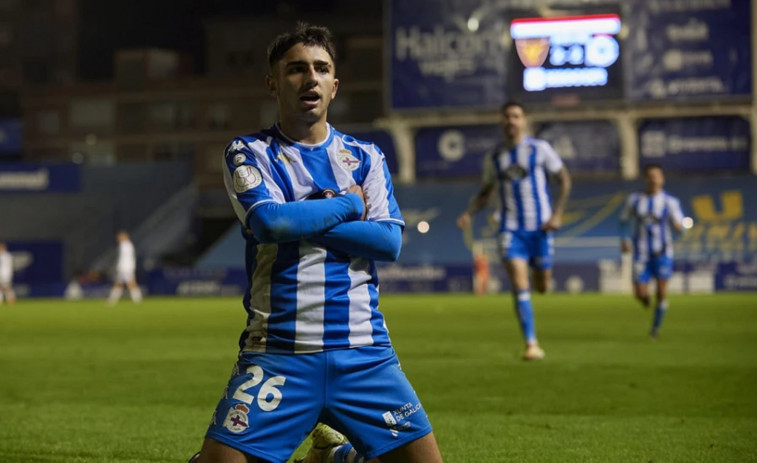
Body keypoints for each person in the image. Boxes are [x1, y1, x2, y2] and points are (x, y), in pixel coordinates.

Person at [191, 23, 443, 463]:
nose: (310, 78)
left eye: (321, 69)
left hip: (365, 355)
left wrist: (298, 218)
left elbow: (388, 241)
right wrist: (347, 204)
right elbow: (269, 223)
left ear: (334, 84)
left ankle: (337, 458)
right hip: (279, 354)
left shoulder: (366, 157)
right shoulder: (249, 152)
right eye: (296, 70)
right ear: (273, 83)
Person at [456, 101, 571, 361]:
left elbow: (564, 178)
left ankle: (538, 291)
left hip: (540, 229)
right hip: (511, 229)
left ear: (524, 120)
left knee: (542, 285)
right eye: (507, 116)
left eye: (516, 116)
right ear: (502, 121)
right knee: (519, 282)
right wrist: (469, 213)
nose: (511, 121)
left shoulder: (539, 149)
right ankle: (531, 343)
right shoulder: (495, 157)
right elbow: (487, 191)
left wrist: (557, 214)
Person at [619, 163, 685, 339]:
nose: (654, 179)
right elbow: (623, 221)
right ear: (646, 179)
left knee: (662, 293)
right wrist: (624, 239)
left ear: (662, 179)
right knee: (639, 293)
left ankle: (655, 329)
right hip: (640, 254)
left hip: (663, 253)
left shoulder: (670, 202)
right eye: (651, 176)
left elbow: (680, 224)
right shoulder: (634, 200)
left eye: (658, 176)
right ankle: (645, 299)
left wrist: (681, 228)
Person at [106, 230, 142, 305]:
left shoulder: (124, 245)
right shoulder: (129, 245)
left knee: (130, 282)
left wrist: (119, 266)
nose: (118, 239)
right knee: (119, 283)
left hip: (125, 267)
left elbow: (123, 257)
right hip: (127, 267)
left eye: (119, 237)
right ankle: (112, 300)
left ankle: (137, 298)